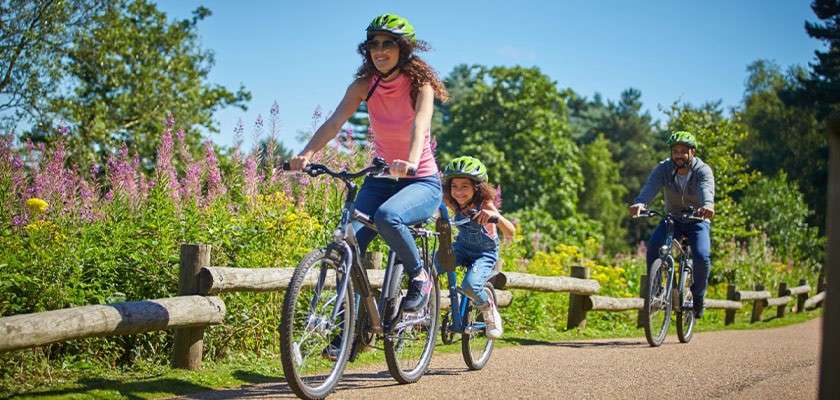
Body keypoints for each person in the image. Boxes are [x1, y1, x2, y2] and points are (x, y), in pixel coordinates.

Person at [290, 14, 448, 315]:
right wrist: (307, 153)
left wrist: (411, 161)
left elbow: (420, 124)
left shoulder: (420, 84)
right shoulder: (364, 85)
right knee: (347, 249)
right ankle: (348, 331)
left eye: (388, 43)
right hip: (382, 178)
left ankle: (419, 277)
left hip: (421, 181)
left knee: (388, 216)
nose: (380, 50)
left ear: (403, 48)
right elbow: (335, 122)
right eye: (374, 44)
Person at [628, 131, 715, 318]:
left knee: (701, 256)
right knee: (654, 247)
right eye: (675, 151)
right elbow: (650, 188)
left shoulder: (702, 170)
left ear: (693, 152)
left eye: (683, 151)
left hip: (697, 220)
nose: (678, 155)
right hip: (673, 218)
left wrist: (707, 206)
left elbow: (706, 189)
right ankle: (658, 289)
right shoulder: (664, 169)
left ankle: (698, 295)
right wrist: (640, 203)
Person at [438, 156, 516, 339]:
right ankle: (422, 309)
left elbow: (511, 231)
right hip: (462, 247)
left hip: (485, 253)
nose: (459, 192)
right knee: (432, 266)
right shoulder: (452, 201)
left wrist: (493, 216)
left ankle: (489, 310)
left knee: (471, 285)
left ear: (476, 187)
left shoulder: (485, 205)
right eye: (454, 186)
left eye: (465, 186)